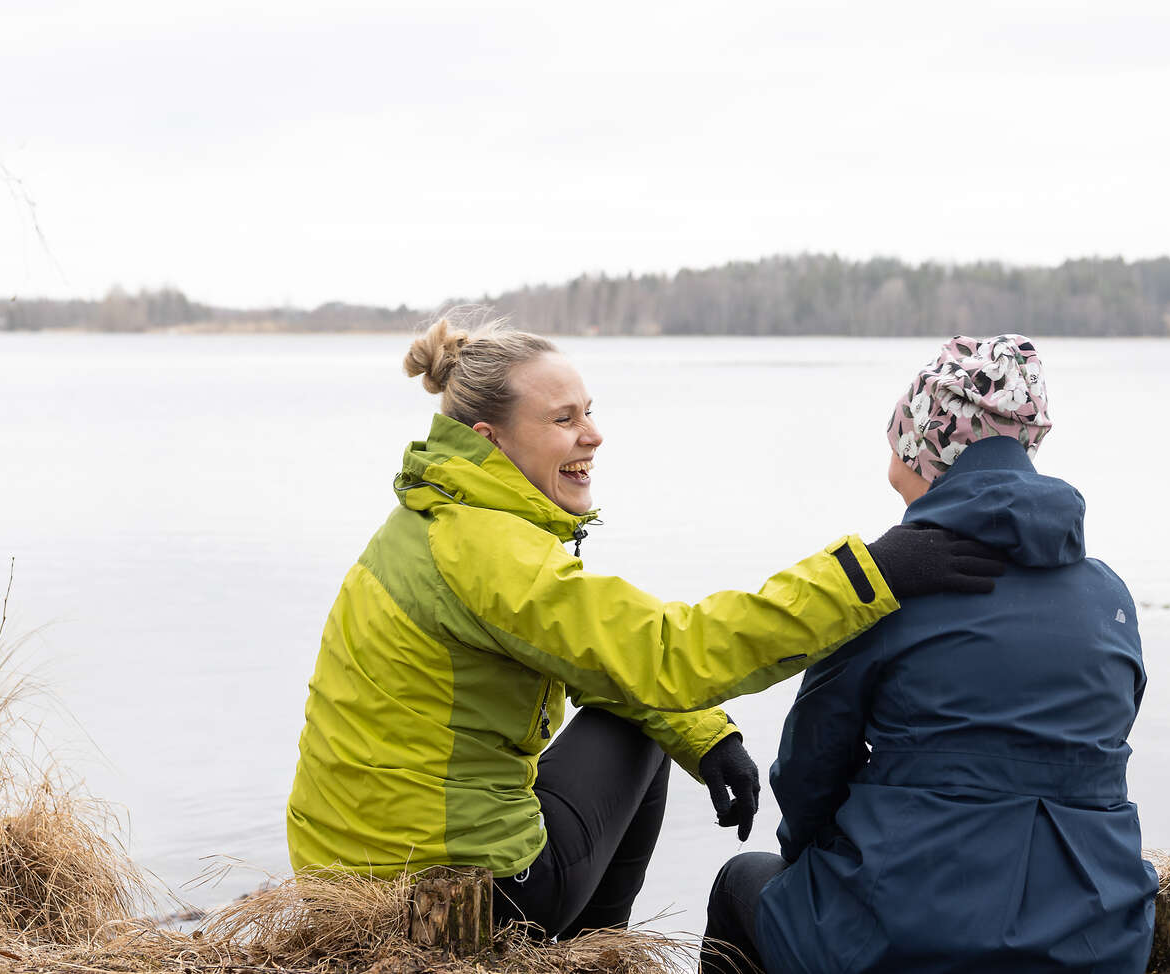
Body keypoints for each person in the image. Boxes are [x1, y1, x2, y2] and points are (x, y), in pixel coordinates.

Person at [286, 311, 1007, 939]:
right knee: (643, 721)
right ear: (491, 439)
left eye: (589, 411)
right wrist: (869, 575)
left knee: (661, 713)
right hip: (456, 895)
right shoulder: (486, 548)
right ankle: (590, 952)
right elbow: (668, 652)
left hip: (354, 872)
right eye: (564, 420)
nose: (594, 435)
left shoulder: (431, 519)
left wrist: (707, 735)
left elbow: (600, 654)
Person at [702, 334, 1156, 973]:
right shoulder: (1110, 597)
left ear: (925, 445)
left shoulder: (893, 584)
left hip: (909, 936)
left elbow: (809, 767)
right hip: (1098, 937)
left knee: (740, 883)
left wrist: (809, 857)